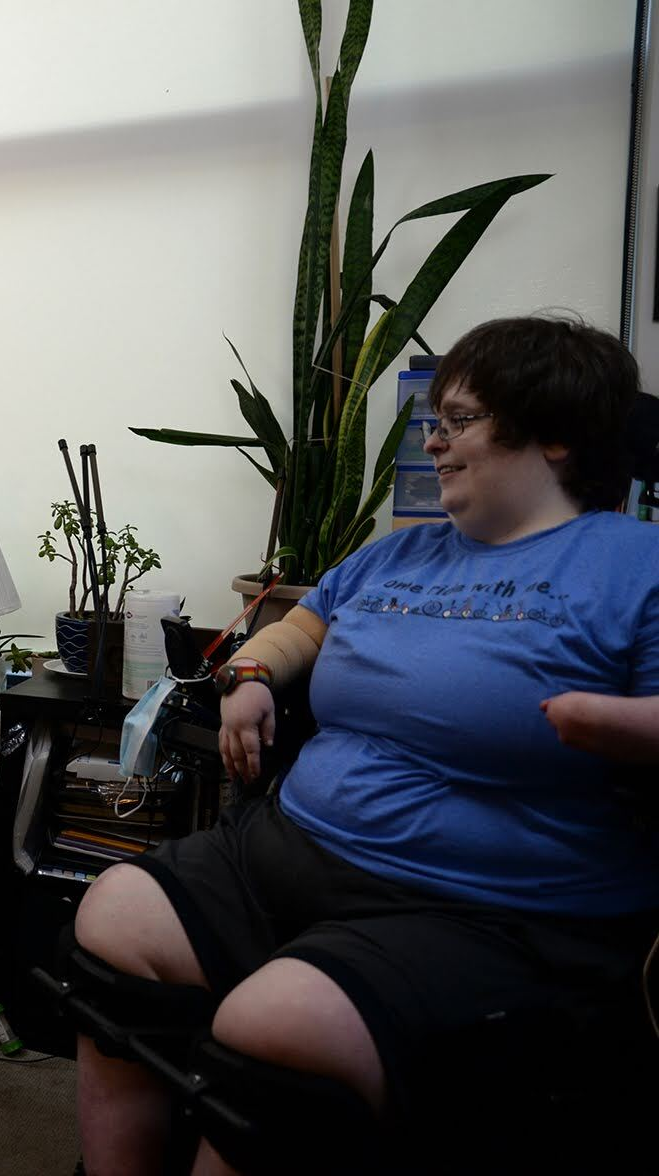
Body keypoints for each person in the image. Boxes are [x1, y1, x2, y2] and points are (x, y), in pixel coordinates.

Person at [71, 314, 659, 1175]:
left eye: (459, 420)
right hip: (289, 849)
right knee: (114, 919)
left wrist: (623, 727)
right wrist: (250, 681)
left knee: (272, 1030)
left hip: (483, 907)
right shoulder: (400, 553)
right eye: (436, 420)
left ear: (557, 436)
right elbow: (298, 628)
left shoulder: (635, 563)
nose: (436, 441)